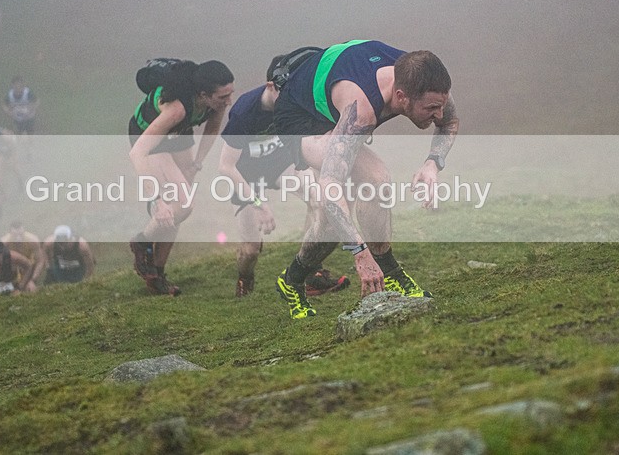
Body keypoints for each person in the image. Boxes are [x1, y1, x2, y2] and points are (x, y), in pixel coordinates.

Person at [272, 40, 459, 318]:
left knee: (351, 204)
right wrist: (360, 254)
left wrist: (432, 164)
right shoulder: (361, 112)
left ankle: (293, 279)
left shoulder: (426, 82)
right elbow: (329, 186)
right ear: (401, 96)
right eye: (431, 108)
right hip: (300, 116)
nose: (438, 114)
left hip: (335, 98)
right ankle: (386, 269)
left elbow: (450, 122)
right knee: (359, 191)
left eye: (440, 105)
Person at [218, 54, 350, 297]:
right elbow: (226, 167)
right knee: (250, 251)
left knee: (318, 198)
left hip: (282, 166)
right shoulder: (244, 112)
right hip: (247, 177)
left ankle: (310, 271)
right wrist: (258, 204)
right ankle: (244, 279)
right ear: (271, 86)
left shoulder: (295, 101)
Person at [128, 60, 234, 296]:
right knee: (181, 205)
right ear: (204, 94)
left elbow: (212, 129)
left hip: (178, 134)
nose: (228, 101)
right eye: (223, 97)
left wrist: (197, 162)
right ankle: (142, 242)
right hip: (149, 138)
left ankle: (157, 273)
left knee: (180, 208)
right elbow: (137, 152)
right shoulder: (177, 108)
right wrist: (157, 199)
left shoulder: (214, 101)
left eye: (231, 94)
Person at [1, 220, 45, 291]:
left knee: (30, 289)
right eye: (15, 235)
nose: (18, 238)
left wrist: (33, 279)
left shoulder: (32, 241)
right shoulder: (4, 243)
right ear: (10, 233)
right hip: (12, 270)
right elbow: (0, 263)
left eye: (21, 234)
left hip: (29, 268)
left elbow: (40, 261)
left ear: (24, 232)